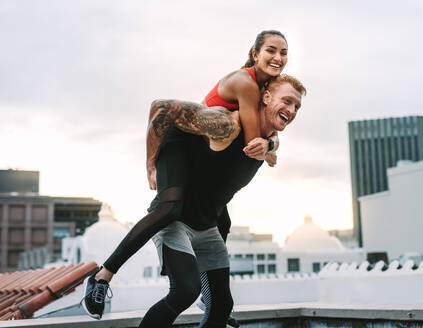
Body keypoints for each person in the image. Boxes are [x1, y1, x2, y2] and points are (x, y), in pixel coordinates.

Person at [82, 31, 290, 320]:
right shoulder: (244, 87)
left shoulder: (262, 92)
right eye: (271, 50)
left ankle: (210, 297)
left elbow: (261, 142)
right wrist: (151, 164)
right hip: (179, 143)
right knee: (170, 207)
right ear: (254, 53)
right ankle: (102, 275)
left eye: (284, 52)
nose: (279, 58)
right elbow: (162, 108)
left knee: (219, 216)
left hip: (204, 160)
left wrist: (272, 143)